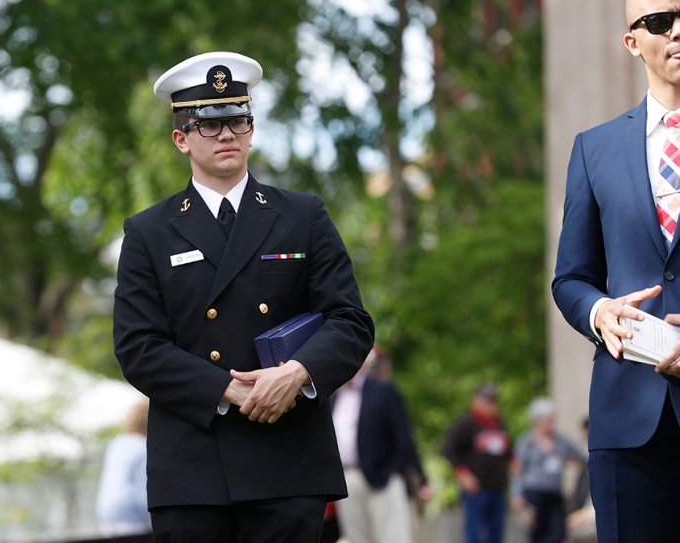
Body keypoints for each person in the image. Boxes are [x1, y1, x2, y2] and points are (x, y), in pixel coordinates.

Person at [112, 51, 374, 542]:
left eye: (237, 119)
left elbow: (350, 320)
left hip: (288, 459)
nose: (227, 134)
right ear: (181, 139)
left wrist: (297, 374)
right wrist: (226, 390)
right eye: (208, 125)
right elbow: (137, 346)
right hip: (194, 466)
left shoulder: (303, 215)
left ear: (251, 128)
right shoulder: (149, 232)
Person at [551, 0, 680, 540]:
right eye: (661, 21)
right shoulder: (593, 149)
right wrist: (599, 311)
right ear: (633, 42)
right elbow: (571, 278)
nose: (678, 31)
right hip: (628, 425)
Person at [331, 346, 429, 543]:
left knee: (392, 536)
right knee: (356, 537)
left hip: (382, 478)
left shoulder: (383, 391)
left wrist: (393, 472)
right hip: (347, 480)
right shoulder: (333, 398)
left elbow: (404, 438)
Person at [509, 397, 586, 543]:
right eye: (548, 419)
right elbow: (517, 470)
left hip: (554, 493)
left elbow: (580, 457)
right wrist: (516, 494)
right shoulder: (527, 441)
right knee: (538, 534)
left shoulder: (560, 440)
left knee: (558, 533)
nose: (551, 423)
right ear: (538, 420)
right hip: (534, 492)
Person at [442, 383, 511, 543]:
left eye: (493, 401)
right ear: (476, 401)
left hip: (497, 488)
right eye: (487, 401)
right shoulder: (465, 424)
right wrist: (462, 473)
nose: (491, 405)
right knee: (475, 534)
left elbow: (506, 451)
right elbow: (449, 450)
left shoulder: (499, 424)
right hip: (476, 490)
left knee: (496, 535)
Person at [96, 398, 151, 537]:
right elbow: (145, 487)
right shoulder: (143, 447)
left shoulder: (117, 443)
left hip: (107, 512)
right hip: (133, 514)